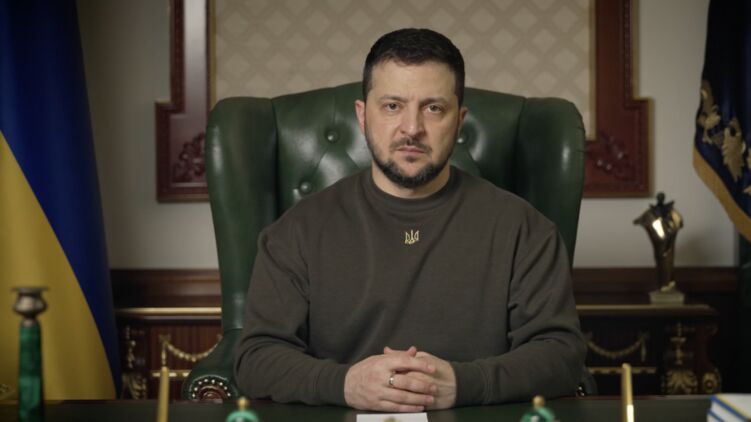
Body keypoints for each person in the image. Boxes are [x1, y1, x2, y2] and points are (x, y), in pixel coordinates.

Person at [234, 28, 586, 412]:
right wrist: (346, 384)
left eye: (433, 108)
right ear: (362, 115)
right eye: (392, 106)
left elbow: (561, 355)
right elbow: (256, 359)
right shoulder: (297, 231)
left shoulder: (524, 228)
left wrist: (463, 384)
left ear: (459, 120)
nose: (412, 128)